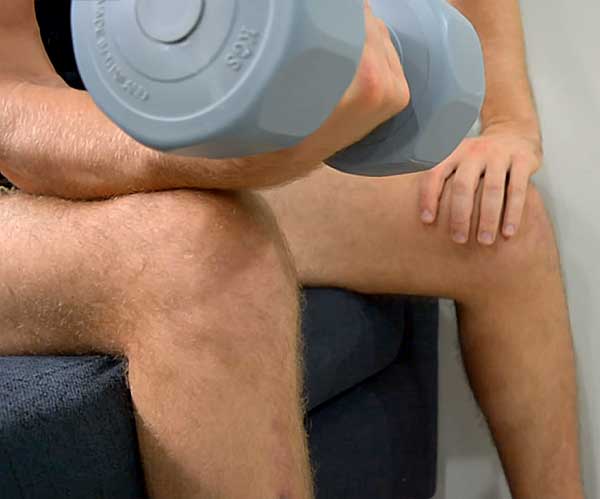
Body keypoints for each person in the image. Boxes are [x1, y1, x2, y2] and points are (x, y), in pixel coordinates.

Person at [0, 0, 584, 498]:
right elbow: (15, 110)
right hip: (22, 168)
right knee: (204, 260)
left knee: (496, 225)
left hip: (158, 122)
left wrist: (509, 122)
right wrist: (230, 158)